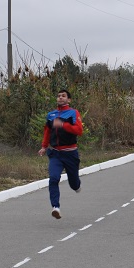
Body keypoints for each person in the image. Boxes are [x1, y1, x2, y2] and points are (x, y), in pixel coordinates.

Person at [38, 89, 84, 219]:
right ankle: (55, 207)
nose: (60, 98)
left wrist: (63, 125)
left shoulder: (73, 113)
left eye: (63, 96)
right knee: (53, 178)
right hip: (56, 153)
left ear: (69, 99)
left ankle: (76, 185)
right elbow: (47, 131)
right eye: (58, 96)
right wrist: (44, 146)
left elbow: (79, 130)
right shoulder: (51, 115)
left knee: (73, 183)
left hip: (70, 153)